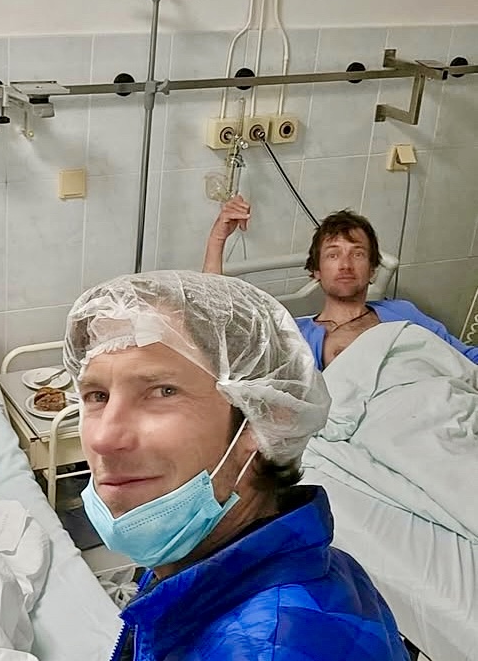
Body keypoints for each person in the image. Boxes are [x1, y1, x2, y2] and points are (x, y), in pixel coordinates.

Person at [63, 270, 410, 660]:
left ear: (265, 416)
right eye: (97, 395)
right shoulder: (198, 562)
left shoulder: (272, 648)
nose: (102, 439)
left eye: (162, 392)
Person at [203, 196, 478, 369]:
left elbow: (464, 357)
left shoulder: (403, 312)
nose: (345, 265)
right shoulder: (294, 335)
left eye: (357, 254)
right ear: (316, 271)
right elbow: (217, 331)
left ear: (372, 270)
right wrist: (218, 239)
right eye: (333, 255)